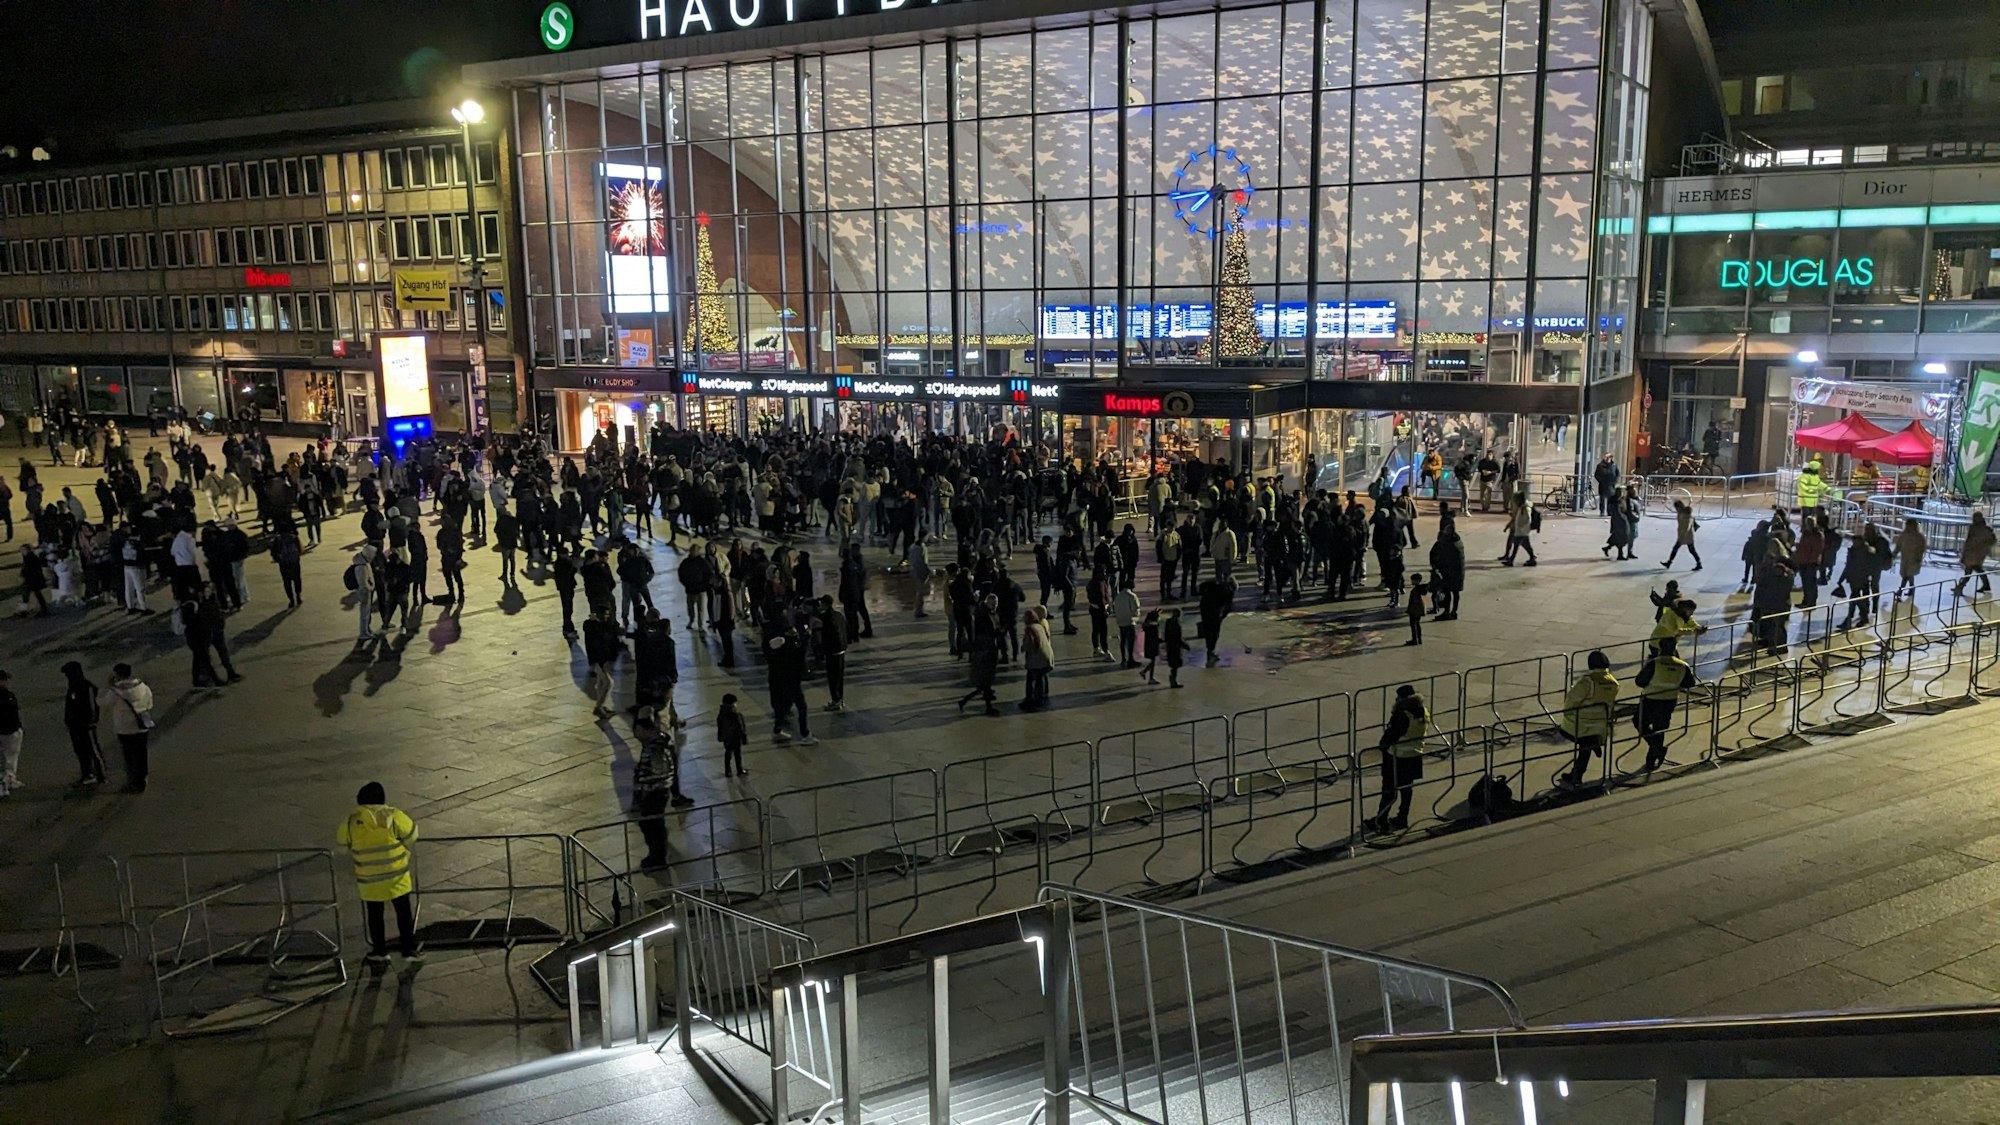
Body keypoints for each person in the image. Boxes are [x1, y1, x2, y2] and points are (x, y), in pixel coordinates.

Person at [335, 782, 421, 966]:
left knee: (375, 916)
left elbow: (341, 845)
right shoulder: (393, 815)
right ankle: (409, 950)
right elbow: (412, 835)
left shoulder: (351, 821)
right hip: (397, 877)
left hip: (369, 880)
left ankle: (380, 951)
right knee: (404, 913)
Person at [1364, 685, 1428, 832]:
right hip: (1414, 754)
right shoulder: (1422, 711)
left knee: (1388, 789)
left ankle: (1381, 820)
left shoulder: (1402, 713)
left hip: (1396, 756)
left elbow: (1392, 734)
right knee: (1406, 789)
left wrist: (1383, 745)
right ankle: (1402, 817)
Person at [1558, 651, 1620, 788]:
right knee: (1585, 745)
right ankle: (1577, 772)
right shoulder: (1613, 683)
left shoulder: (1587, 682)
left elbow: (1571, 701)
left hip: (1581, 723)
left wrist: (1566, 713)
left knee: (1567, 734)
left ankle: (1577, 775)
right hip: (1600, 724)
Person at [1634, 637, 1697, 772]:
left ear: (1660, 649)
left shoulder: (1654, 663)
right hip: (1669, 700)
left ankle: (1656, 749)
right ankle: (1652, 759)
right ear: (1674, 649)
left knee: (1639, 722)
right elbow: (1690, 683)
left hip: (1651, 698)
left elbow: (1639, 681)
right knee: (1660, 728)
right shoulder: (1682, 665)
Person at [762, 621, 815, 744]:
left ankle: (777, 730)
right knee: (802, 707)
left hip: (777, 681)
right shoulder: (793, 649)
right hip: (792, 681)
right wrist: (807, 637)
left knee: (782, 708)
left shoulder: (776, 649)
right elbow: (802, 653)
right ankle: (805, 734)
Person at [107, 664, 154, 793]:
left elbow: (103, 702)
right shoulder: (142, 686)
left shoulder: (115, 691)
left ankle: (133, 781)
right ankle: (143, 778)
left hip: (124, 729)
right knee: (141, 754)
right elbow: (149, 702)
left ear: (117, 674)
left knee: (129, 756)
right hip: (141, 726)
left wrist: (109, 685)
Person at [61, 661, 106, 787]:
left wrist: (91, 721)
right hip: (75, 725)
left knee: (92, 750)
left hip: (85, 725)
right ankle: (87, 774)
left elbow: (92, 707)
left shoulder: (86, 686)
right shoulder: (74, 686)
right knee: (80, 750)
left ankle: (100, 775)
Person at [957, 595, 1001, 716]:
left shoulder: (989, 613)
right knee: (985, 684)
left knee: (985, 685)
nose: (995, 606)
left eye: (996, 603)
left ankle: (966, 701)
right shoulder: (983, 615)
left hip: (989, 650)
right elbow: (988, 631)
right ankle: (987, 707)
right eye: (993, 604)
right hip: (985, 651)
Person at [583, 607, 623, 718]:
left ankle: (600, 706)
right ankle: (598, 707)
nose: (607, 616)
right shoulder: (593, 627)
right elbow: (596, 646)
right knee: (608, 682)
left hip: (602, 660)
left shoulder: (603, 627)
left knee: (601, 683)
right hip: (598, 660)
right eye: (605, 614)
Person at [818, 596, 850, 713]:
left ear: (825, 605)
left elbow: (829, 636)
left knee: (832, 677)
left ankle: (835, 700)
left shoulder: (827, 619)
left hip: (833, 651)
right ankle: (840, 699)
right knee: (839, 676)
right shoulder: (839, 615)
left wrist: (823, 649)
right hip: (842, 649)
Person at [1021, 605, 1055, 710]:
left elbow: (1029, 645)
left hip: (1038, 658)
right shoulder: (1040, 625)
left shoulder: (1030, 629)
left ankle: (1033, 699)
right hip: (1047, 656)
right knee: (1041, 676)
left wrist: (1023, 648)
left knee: (1032, 677)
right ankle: (1041, 696)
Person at [1957, 511, 1996, 598]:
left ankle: (1960, 587)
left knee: (1968, 571)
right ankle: (1986, 585)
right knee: (1978, 569)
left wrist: (1963, 554)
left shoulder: (1973, 529)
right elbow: (1992, 540)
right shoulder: (1987, 530)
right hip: (1979, 554)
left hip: (1972, 554)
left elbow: (1968, 542)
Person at [348, 545, 379, 641]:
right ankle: (363, 632)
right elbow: (363, 583)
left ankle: (366, 630)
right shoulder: (361, 566)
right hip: (364, 592)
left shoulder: (363, 562)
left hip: (365, 591)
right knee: (365, 613)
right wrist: (371, 587)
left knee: (366, 612)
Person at [1892, 518, 1927, 598]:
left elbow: (1922, 547)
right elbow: (1898, 546)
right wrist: (1894, 554)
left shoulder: (1919, 536)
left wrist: (1918, 556)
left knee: (1907, 575)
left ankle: (1901, 590)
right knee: (1908, 575)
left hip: (1913, 559)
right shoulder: (1905, 535)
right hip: (1906, 558)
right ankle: (1911, 589)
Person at [1500, 491, 1537, 566]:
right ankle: (1532, 557)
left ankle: (1511, 560)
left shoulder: (1525, 508)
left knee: (1516, 545)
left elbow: (1527, 519)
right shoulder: (1522, 507)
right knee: (1526, 545)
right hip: (1521, 531)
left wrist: (1520, 525)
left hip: (1522, 531)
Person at [718, 693, 749, 777]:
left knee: (728, 754)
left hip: (727, 738)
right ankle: (739, 770)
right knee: (737, 754)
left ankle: (728, 770)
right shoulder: (736, 715)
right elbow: (741, 727)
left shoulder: (721, 715)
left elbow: (720, 727)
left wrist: (720, 736)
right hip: (736, 737)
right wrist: (744, 737)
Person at [1112, 581, 1141, 668]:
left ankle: (1123, 658)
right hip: (1129, 621)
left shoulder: (1118, 596)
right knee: (1130, 642)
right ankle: (1130, 659)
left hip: (1121, 621)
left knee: (1123, 640)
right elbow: (1136, 609)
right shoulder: (1132, 596)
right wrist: (1135, 618)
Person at [0, 669, 19, 798]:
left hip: (9, 730)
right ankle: (5, 785)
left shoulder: (8, 694)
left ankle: (10, 780)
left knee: (10, 759)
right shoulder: (6, 695)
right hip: (8, 731)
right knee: (8, 759)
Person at [1794, 457, 1826, 522]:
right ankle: (1805, 526)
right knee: (1806, 514)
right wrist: (1808, 490)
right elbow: (1802, 485)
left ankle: (1811, 526)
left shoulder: (1815, 476)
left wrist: (1826, 488)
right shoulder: (1805, 476)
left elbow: (1819, 483)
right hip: (1806, 499)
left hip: (1813, 499)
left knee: (1812, 515)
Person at [1405, 574, 1427, 646]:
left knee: (1413, 624)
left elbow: (1414, 601)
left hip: (1414, 610)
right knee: (1417, 624)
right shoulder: (1420, 589)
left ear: (1417, 581)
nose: (1411, 581)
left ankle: (1415, 639)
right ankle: (1419, 639)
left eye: (1413, 580)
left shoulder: (1415, 590)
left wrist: (1410, 610)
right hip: (1419, 610)